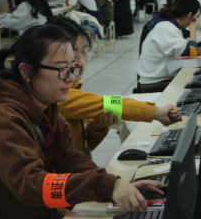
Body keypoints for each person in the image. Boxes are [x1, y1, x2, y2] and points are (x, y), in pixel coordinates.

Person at [0, 25, 163, 219]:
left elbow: (72, 159)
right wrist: (103, 185)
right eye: (61, 69)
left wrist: (112, 185)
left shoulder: (46, 108)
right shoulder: (1, 121)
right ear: (26, 71)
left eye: (73, 67)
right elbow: (32, 185)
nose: (71, 77)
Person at [48, 17, 181, 154]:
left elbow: (84, 146)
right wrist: (155, 112)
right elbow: (107, 103)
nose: (82, 62)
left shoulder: (72, 88)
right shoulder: (57, 96)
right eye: (75, 56)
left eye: (85, 52)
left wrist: (97, 127)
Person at [137, 0, 201, 92]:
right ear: (189, 15)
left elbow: (182, 49)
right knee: (196, 87)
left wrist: (200, 50)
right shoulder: (167, 27)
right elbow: (189, 54)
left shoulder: (169, 24)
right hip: (153, 83)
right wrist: (193, 31)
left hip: (158, 79)